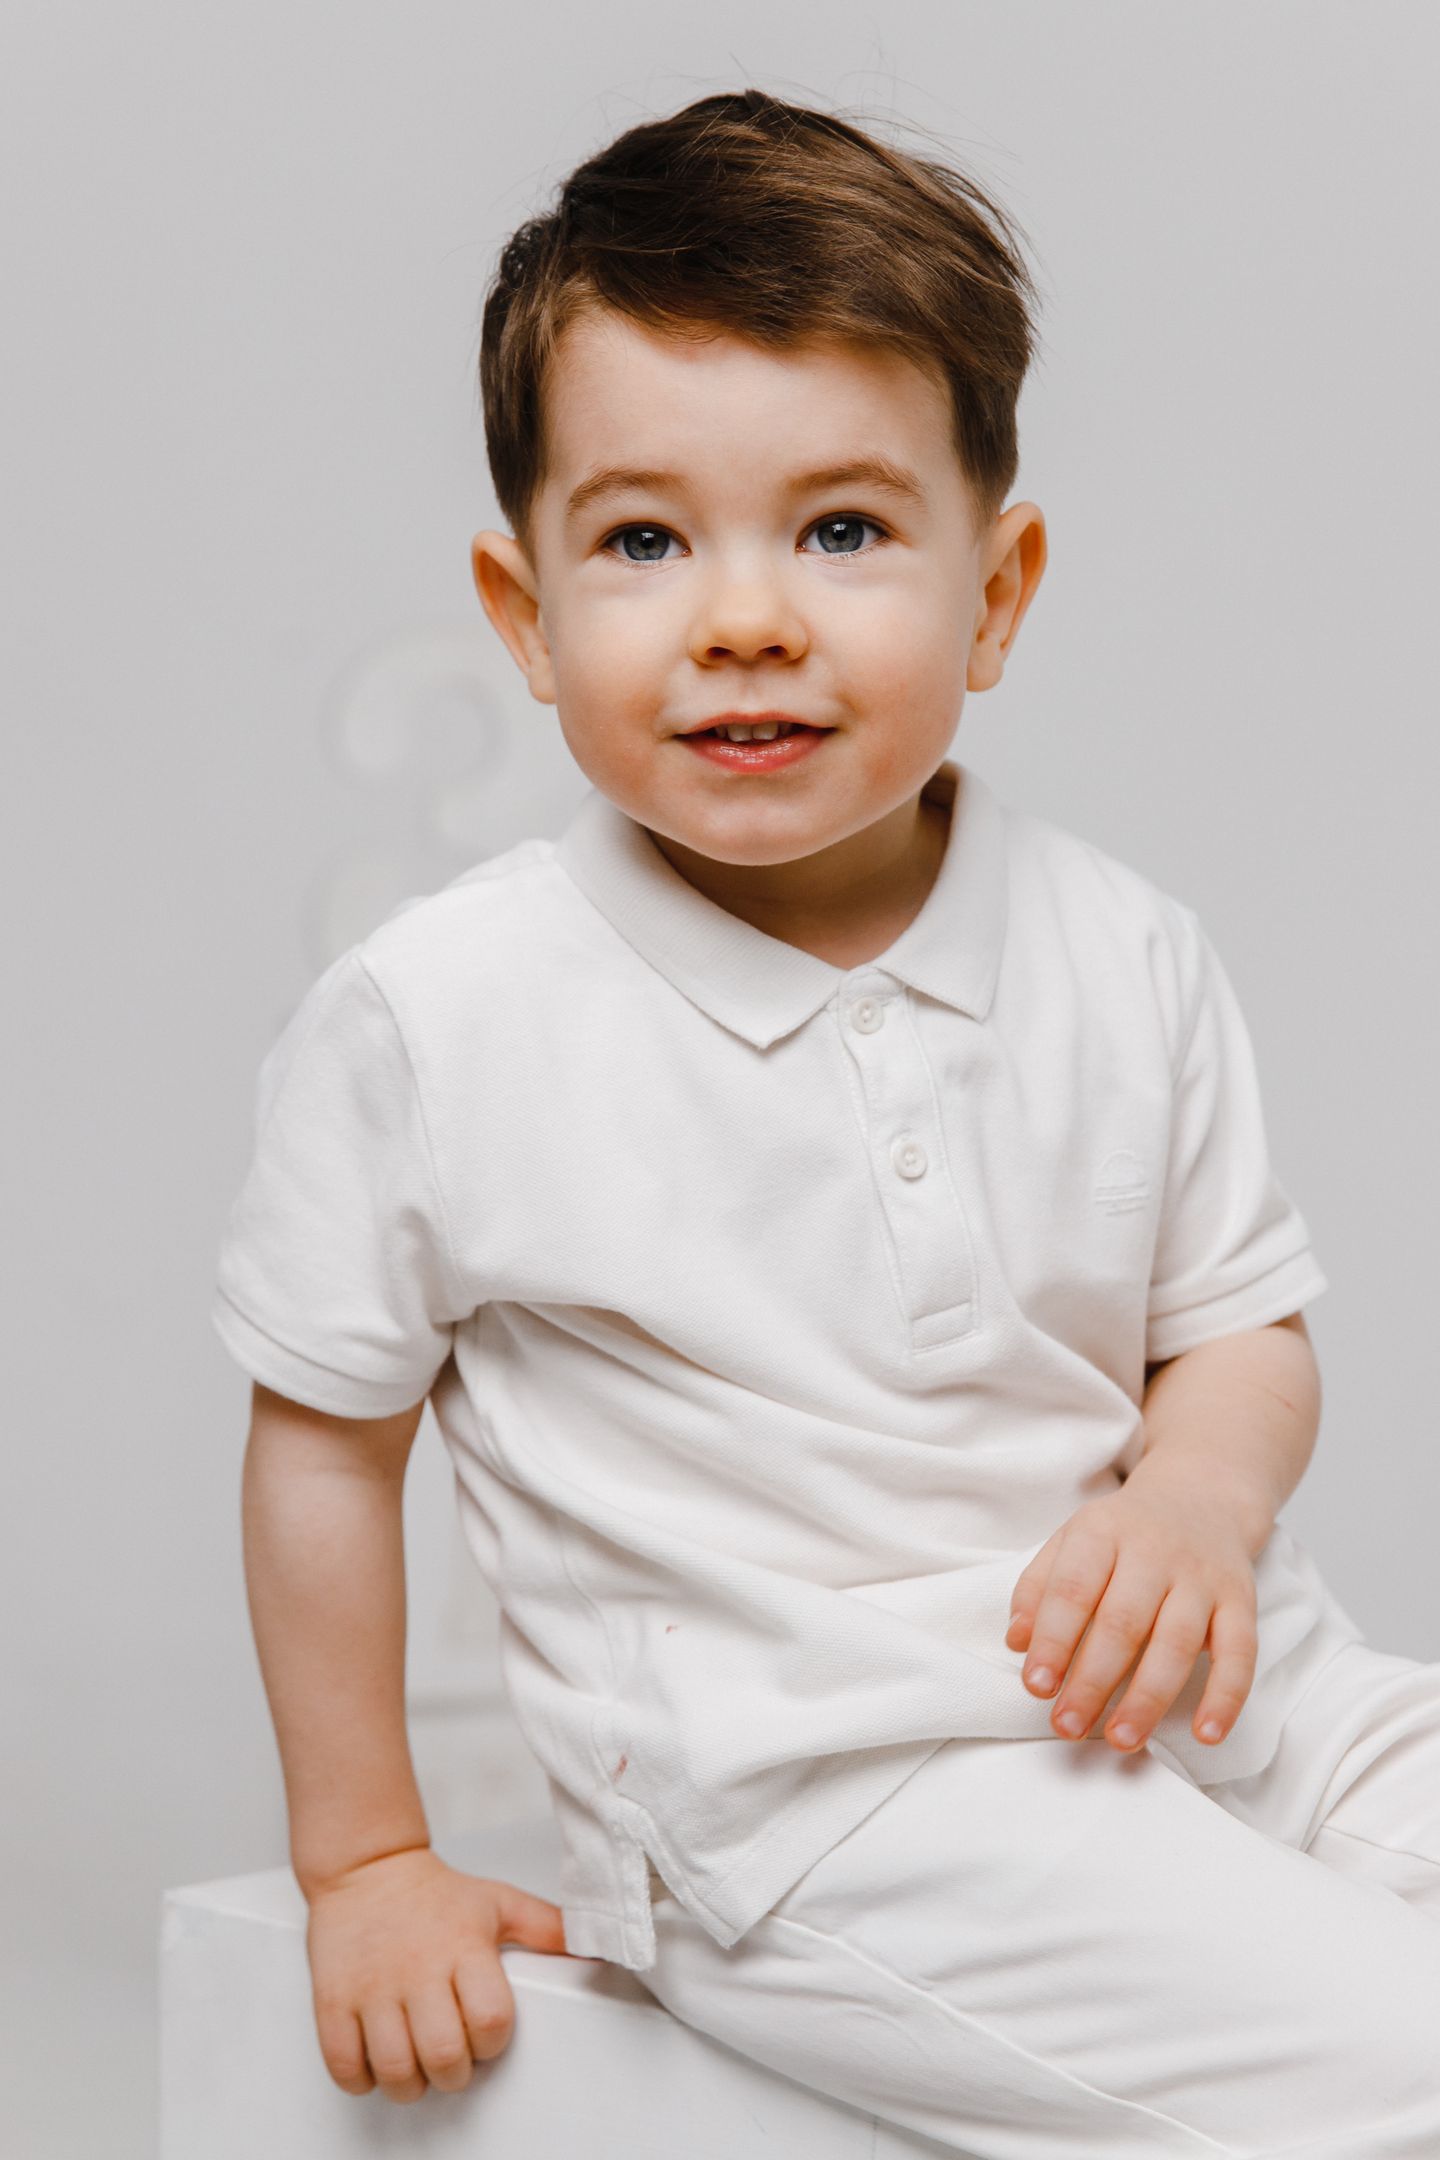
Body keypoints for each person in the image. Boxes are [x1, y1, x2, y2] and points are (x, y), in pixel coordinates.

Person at [213, 87, 1440, 2156]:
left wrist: (1193, 1506)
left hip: (1223, 1687)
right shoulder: (446, 1020)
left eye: (844, 531)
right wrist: (366, 1858)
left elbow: (1237, 1324)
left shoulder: (1119, 946)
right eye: (644, 541)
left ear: (999, 589)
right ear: (526, 616)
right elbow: (327, 1444)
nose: (747, 615)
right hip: (824, 1802)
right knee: (1403, 2065)